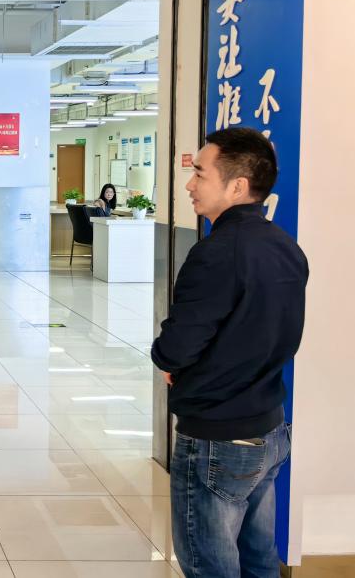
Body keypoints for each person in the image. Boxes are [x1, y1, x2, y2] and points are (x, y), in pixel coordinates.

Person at [151, 127, 307, 578]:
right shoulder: (285, 247)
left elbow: (178, 345)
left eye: (200, 173)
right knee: (259, 560)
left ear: (237, 186)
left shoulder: (217, 253)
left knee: (210, 565)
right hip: (268, 428)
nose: (189, 184)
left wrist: (169, 362)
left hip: (218, 437)